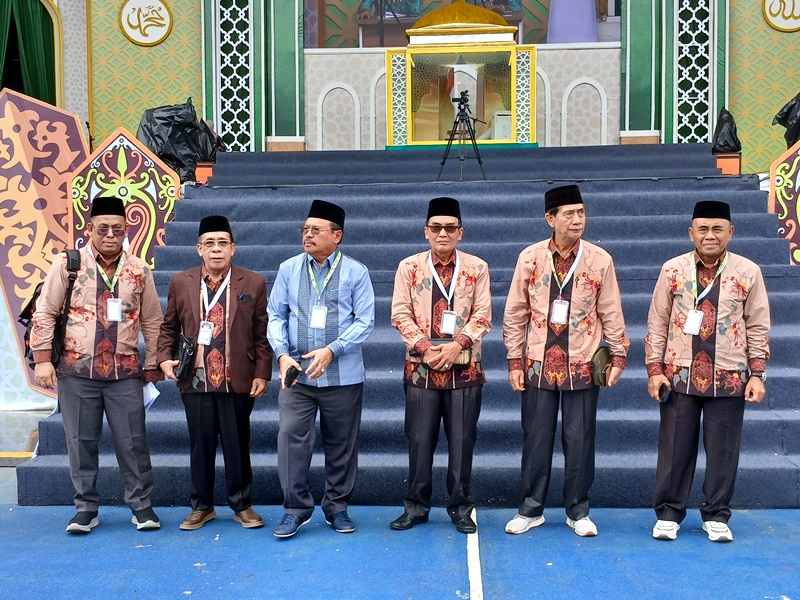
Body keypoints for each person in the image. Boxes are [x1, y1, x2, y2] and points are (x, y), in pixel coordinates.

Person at [31, 196, 164, 534]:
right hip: (76, 371)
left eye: (117, 229)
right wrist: (42, 359)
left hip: (125, 372)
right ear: (89, 229)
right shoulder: (68, 264)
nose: (110, 235)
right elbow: (45, 312)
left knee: (133, 440)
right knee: (80, 440)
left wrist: (153, 364)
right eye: (102, 228)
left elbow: (152, 321)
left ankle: (141, 506)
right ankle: (86, 509)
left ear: (126, 230)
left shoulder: (138, 270)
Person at [502, 184, 629, 537]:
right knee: (536, 439)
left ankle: (578, 510)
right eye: (569, 214)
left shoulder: (600, 259)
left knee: (580, 441)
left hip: (583, 362)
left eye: (581, 212)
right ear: (550, 219)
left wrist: (618, 354)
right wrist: (514, 361)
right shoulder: (530, 258)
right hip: (538, 363)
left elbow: (611, 311)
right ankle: (530, 509)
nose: (577, 220)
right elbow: (515, 312)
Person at [645, 200, 770, 543]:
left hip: (729, 374)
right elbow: (657, 321)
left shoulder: (748, 271)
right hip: (679, 374)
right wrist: (655, 369)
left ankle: (716, 515)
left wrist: (757, 373)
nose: (710, 235)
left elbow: (758, 324)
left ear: (731, 232)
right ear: (691, 233)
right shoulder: (673, 270)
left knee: (723, 451)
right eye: (703, 229)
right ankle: (669, 513)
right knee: (674, 449)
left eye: (718, 229)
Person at [267, 200, 375, 538]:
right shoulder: (288, 268)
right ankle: (295, 509)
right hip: (297, 374)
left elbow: (365, 321)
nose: (308, 235)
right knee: (290, 439)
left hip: (343, 376)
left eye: (316, 230)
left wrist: (332, 350)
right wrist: (282, 354)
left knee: (341, 444)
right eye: (305, 229)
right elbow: (275, 315)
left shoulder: (356, 271)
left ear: (337, 235)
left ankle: (337, 507)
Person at [157, 215, 272, 531]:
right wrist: (164, 358)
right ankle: (201, 506)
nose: (216, 249)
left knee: (238, 446)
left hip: (237, 378)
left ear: (233, 248)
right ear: (199, 249)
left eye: (223, 243)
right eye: (209, 243)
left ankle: (242, 505)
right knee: (200, 445)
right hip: (196, 379)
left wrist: (262, 373)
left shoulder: (253, 282)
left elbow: (261, 333)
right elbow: (168, 326)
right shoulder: (181, 282)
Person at [389, 197, 492, 534]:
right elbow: (399, 313)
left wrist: (457, 345)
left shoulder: (477, 267)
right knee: (419, 441)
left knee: (462, 442)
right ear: (426, 232)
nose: (443, 233)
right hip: (421, 369)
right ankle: (416, 507)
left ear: (460, 232)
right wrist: (425, 347)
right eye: (436, 227)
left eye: (450, 227)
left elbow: (483, 315)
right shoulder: (409, 267)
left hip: (465, 369)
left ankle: (461, 508)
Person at [358, 0, 423, 19]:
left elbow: (417, 10)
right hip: (383, 27)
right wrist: (365, 10)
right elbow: (366, 3)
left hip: (406, 26)